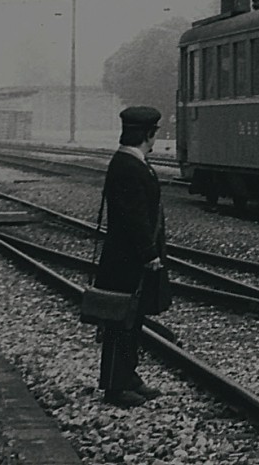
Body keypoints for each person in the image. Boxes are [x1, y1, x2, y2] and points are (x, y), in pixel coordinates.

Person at [95, 106, 168, 408]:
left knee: (133, 320)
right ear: (146, 134)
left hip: (127, 258)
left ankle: (129, 376)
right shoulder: (128, 165)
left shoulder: (132, 162)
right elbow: (133, 216)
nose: (154, 141)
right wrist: (148, 253)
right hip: (125, 260)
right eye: (153, 134)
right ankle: (114, 385)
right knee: (119, 321)